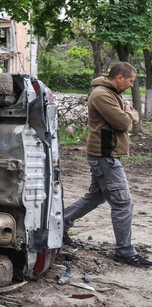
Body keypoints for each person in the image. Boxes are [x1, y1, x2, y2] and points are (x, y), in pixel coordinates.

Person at [62, 62, 151, 267]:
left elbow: (125, 119)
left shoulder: (111, 93)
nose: (131, 85)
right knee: (123, 203)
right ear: (119, 77)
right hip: (105, 156)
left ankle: (60, 225)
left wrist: (129, 114)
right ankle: (125, 252)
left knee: (94, 197)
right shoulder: (102, 95)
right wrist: (132, 114)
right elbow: (124, 122)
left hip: (106, 155)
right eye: (130, 80)